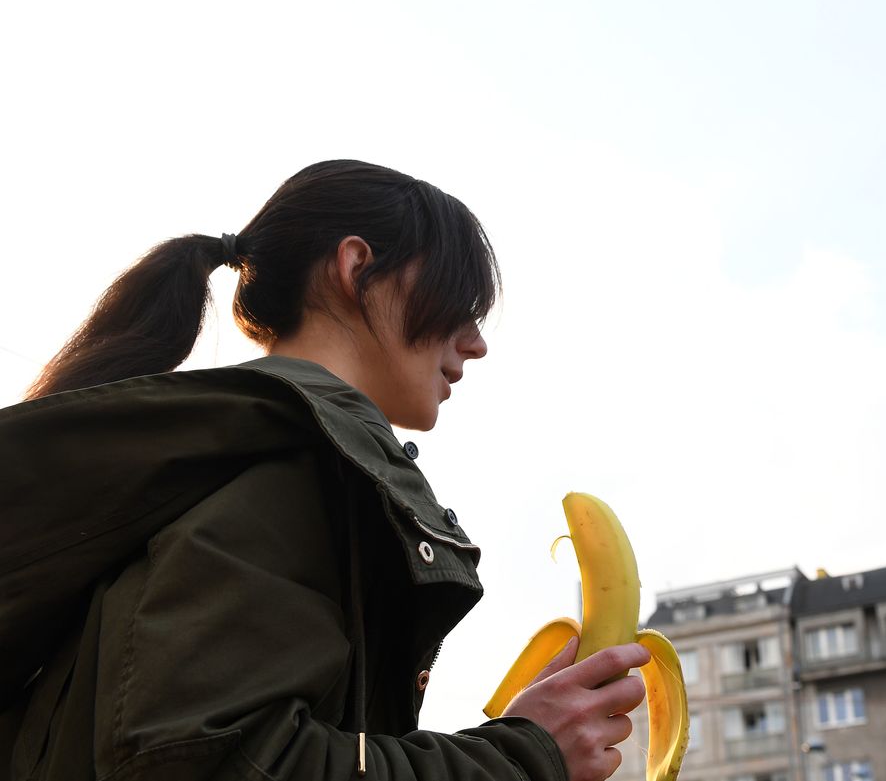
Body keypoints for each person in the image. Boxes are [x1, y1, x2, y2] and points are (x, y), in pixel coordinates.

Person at [0, 160, 648, 781]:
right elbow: (215, 762)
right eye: (460, 298)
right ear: (357, 267)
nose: (476, 342)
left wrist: (519, 742)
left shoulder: (220, 454)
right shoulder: (289, 462)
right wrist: (519, 758)